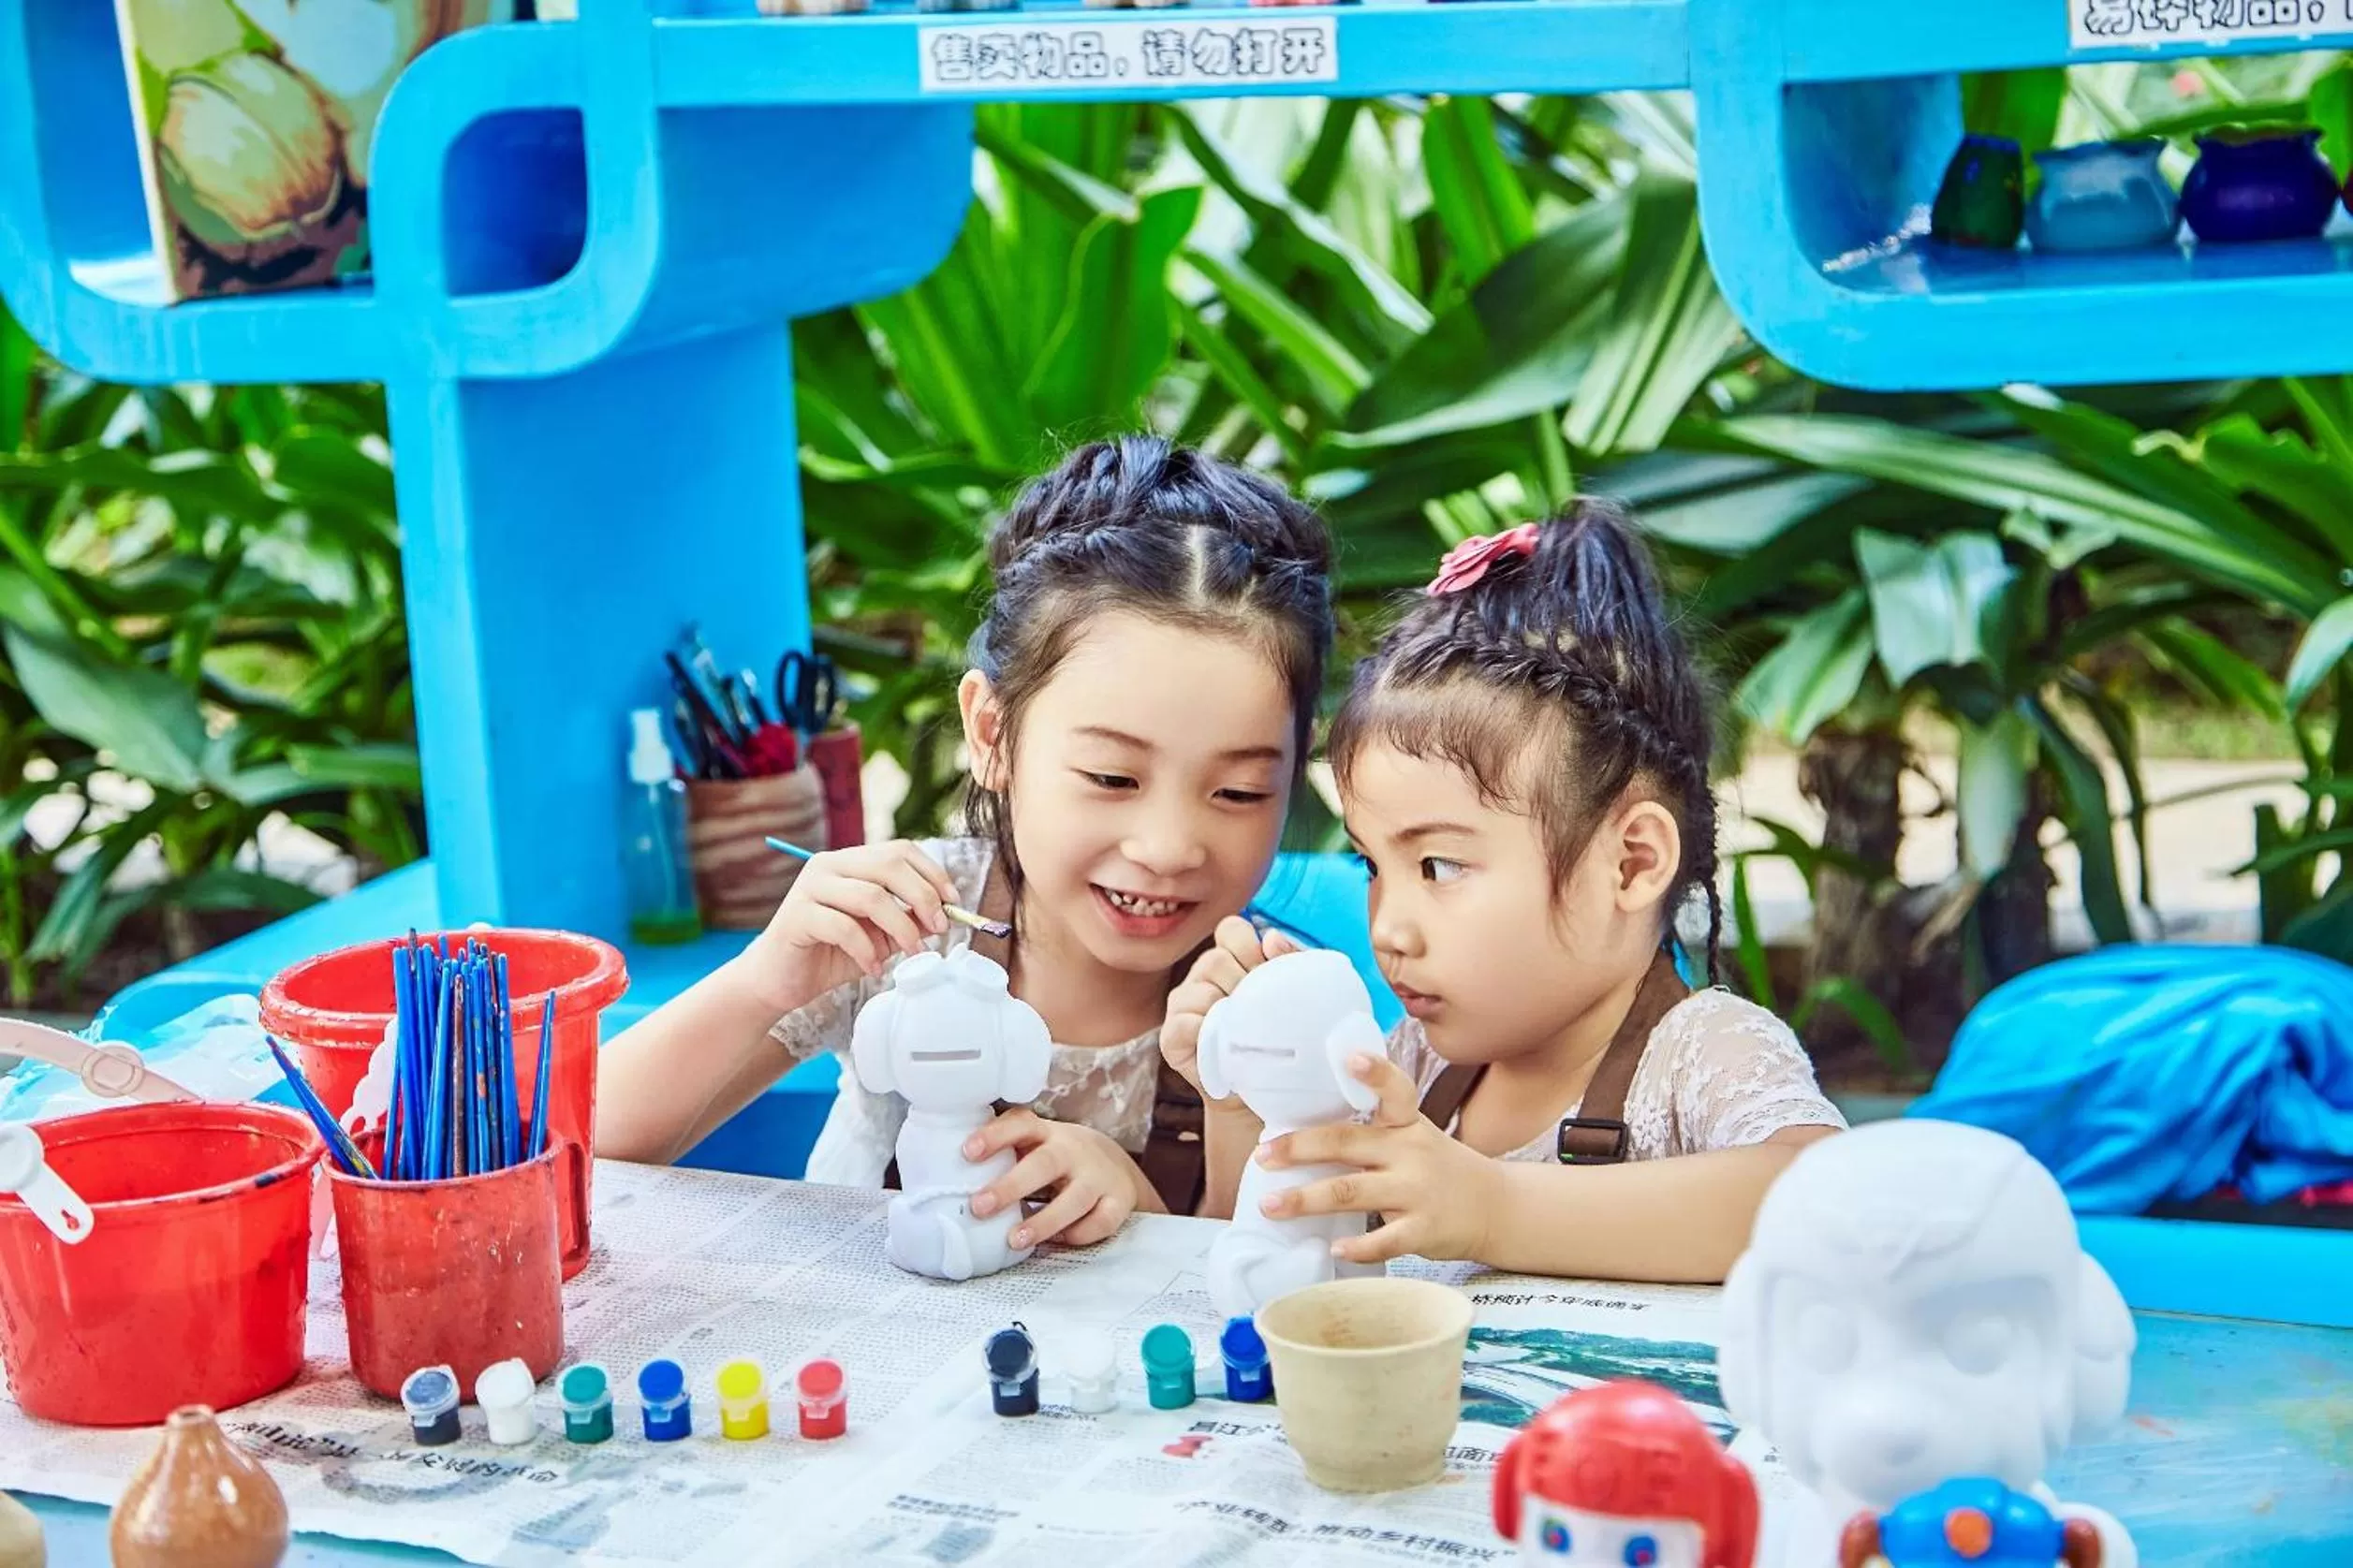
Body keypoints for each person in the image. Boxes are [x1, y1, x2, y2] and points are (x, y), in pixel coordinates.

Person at [598, 435, 1335, 1255]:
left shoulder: (1268, 1010)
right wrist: (764, 983)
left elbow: (1264, 1288)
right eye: (1111, 777)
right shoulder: (902, 927)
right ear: (991, 732)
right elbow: (585, 1153)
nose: (1167, 848)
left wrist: (1140, 1201)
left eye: (1238, 792)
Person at [1163, 500, 1845, 1282]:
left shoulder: (1700, 1053)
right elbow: (1279, 1264)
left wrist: (1493, 1207)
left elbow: (1822, 1198)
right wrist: (1252, 1103)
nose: (1387, 928)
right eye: (1372, 866)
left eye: (1439, 866)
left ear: (1630, 863)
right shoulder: (1415, 1065)